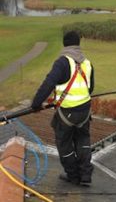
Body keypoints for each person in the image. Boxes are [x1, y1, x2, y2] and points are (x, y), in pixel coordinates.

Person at [31, 31, 94, 186]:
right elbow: (90, 88)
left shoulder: (62, 62)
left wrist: (36, 104)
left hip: (67, 113)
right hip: (85, 111)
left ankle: (73, 176)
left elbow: (48, 83)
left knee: (64, 144)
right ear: (78, 43)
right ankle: (85, 175)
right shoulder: (87, 63)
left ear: (64, 44)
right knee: (83, 140)